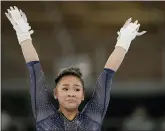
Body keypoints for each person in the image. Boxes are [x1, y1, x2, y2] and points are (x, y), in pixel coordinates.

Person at [5, 6, 146, 131]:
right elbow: (34, 69)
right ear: (56, 93)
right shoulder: (44, 115)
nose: (71, 93)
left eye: (76, 89)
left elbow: (108, 74)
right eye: (65, 88)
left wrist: (124, 40)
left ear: (83, 94)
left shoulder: (92, 117)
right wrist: (22, 32)